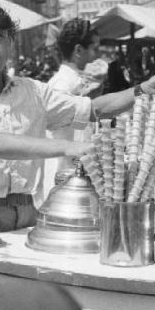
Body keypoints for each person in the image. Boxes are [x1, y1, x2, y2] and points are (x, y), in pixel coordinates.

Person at [0, 0, 155, 239]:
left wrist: (145, 89)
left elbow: (93, 109)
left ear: (10, 42)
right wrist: (70, 147)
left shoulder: (32, 91)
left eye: (0, 37)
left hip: (28, 216)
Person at [44, 18, 103, 200]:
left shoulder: (78, 80)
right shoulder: (62, 84)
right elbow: (59, 125)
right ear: (78, 50)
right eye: (95, 49)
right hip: (63, 173)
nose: (98, 55)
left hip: (77, 171)